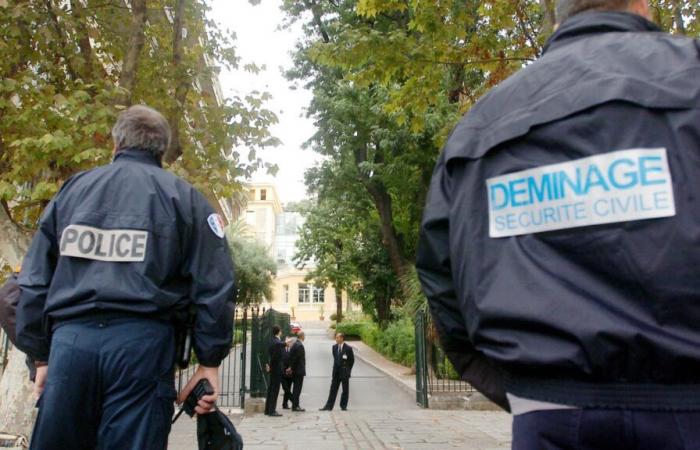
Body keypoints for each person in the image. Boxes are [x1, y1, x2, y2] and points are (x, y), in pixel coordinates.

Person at [416, 0, 700, 448]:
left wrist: (527, 390)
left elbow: (442, 279)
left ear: (557, 12)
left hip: (549, 420)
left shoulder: (479, 126)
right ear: (643, 4)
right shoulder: (689, 73)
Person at [15, 105, 235, 450]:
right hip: (142, 349)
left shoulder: (72, 193)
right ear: (161, 150)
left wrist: (40, 356)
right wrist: (209, 361)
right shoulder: (186, 199)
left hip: (71, 344)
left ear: (115, 145)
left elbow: (33, 281)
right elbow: (215, 287)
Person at [320, 332, 354, 411]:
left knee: (345, 390)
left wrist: (348, 370)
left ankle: (343, 405)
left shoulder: (348, 348)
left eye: (338, 338)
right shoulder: (334, 347)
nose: (336, 339)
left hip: (344, 372)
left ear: (342, 338)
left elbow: (351, 361)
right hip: (336, 372)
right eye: (336, 338)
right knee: (333, 389)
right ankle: (328, 406)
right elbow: (336, 359)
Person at [264, 325, 284, 417]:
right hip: (276, 369)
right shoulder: (277, 342)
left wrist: (268, 364)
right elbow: (276, 356)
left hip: (273, 369)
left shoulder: (271, 340)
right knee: (275, 390)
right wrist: (271, 365)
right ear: (279, 332)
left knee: (270, 389)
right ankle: (272, 410)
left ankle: (268, 409)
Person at [289, 331, 306, 411]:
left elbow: (291, 357)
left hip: (295, 370)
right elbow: (297, 359)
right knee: (297, 389)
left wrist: (291, 368)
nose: (304, 337)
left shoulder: (294, 344)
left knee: (296, 388)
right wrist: (292, 368)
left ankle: (295, 405)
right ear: (302, 336)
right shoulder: (299, 346)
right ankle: (295, 406)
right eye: (304, 336)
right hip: (298, 370)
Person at [280, 336, 294, 409]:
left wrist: (291, 368)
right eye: (288, 341)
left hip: (290, 372)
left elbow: (294, 360)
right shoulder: (281, 349)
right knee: (286, 388)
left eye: (290, 341)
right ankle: (294, 401)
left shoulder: (293, 349)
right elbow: (280, 360)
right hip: (282, 372)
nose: (289, 343)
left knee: (288, 388)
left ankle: (284, 404)